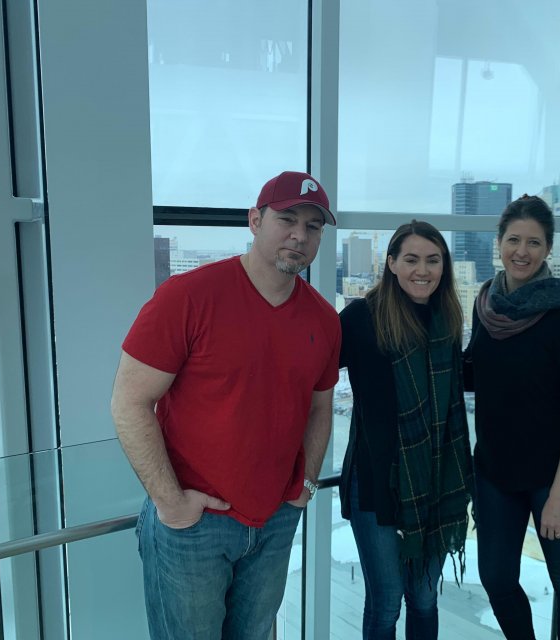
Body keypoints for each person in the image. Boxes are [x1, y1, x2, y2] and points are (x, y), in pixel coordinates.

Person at [111, 171, 341, 640]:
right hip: (194, 527)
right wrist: (170, 504)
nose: (299, 235)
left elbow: (320, 408)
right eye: (287, 219)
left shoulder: (323, 317)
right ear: (254, 220)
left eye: (313, 226)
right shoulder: (187, 298)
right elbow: (129, 403)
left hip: (276, 520)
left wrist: (307, 485)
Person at [466, 195, 560, 639]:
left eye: (534, 243)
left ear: (547, 250)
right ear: (498, 243)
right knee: (497, 579)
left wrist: (559, 496)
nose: (521, 251)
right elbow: (475, 370)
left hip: (554, 476)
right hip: (495, 471)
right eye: (513, 240)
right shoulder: (486, 305)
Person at [338, 220, 473, 639]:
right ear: (392, 264)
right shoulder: (362, 318)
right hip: (376, 483)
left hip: (433, 481)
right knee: (386, 602)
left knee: (425, 597)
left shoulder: (446, 318)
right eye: (411, 259)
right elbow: (310, 371)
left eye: (433, 260)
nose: (423, 269)